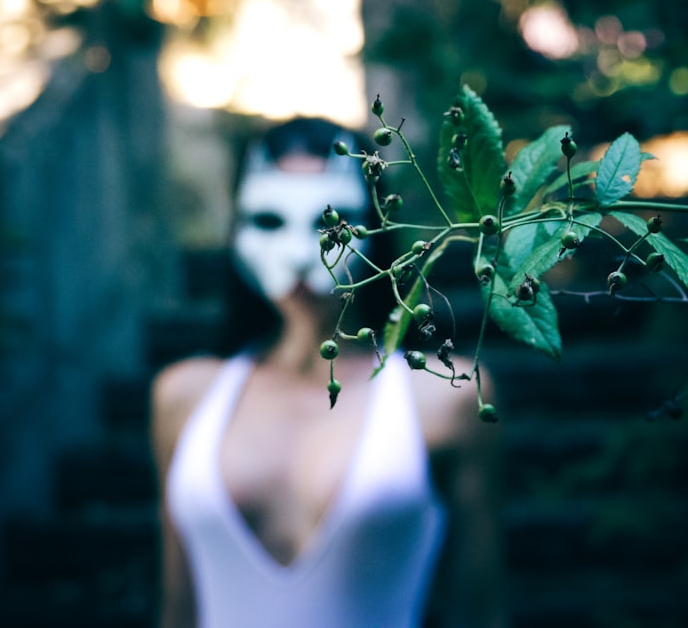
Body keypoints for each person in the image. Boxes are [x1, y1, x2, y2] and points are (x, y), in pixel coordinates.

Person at [150, 116, 505, 627]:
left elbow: (481, 611)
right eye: (269, 220)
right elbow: (178, 611)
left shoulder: (447, 398)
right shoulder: (183, 396)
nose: (300, 254)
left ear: (374, 226)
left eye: (328, 224)